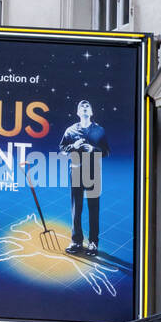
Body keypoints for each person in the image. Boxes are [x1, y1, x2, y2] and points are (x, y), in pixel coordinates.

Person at [59, 99, 111, 257]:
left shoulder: (99, 131)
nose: (85, 108)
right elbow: (62, 149)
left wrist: (93, 149)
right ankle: (76, 241)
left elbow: (107, 152)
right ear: (78, 112)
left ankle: (93, 243)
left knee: (93, 209)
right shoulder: (70, 130)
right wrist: (73, 147)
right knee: (77, 209)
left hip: (93, 173)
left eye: (87, 106)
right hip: (75, 172)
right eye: (82, 107)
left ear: (92, 112)